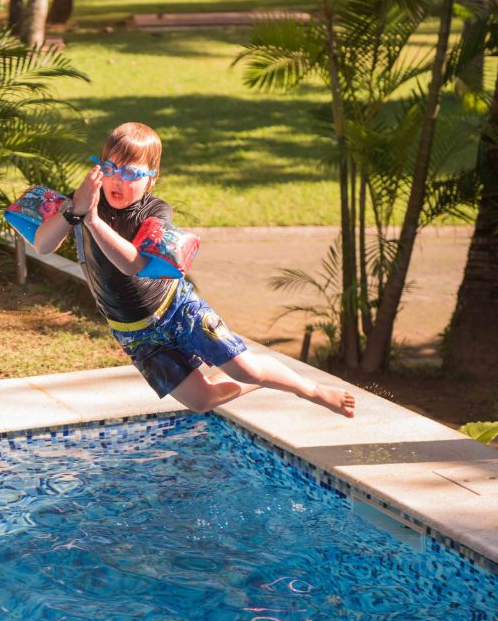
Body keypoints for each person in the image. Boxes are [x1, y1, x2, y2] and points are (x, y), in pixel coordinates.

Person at [32, 122, 356, 417]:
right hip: (133, 332)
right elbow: (43, 246)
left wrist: (91, 220)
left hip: (177, 309)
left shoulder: (155, 211)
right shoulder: (84, 203)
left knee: (247, 370)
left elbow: (133, 264)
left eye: (130, 173)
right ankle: (257, 378)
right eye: (109, 168)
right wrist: (73, 211)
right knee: (203, 401)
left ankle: (309, 390)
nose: (118, 179)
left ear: (151, 178)